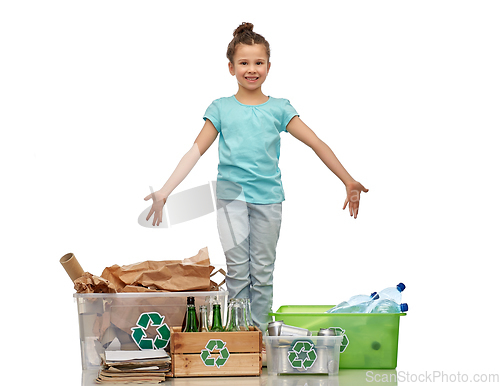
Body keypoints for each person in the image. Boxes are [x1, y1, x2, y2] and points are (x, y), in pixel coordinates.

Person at [144, 22, 368, 332]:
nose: (252, 69)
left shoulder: (279, 108)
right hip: (230, 200)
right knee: (238, 272)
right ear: (231, 67)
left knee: (262, 272)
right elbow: (194, 152)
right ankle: (238, 337)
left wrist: (348, 179)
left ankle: (260, 336)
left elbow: (316, 142)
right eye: (244, 63)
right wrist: (165, 191)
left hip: (268, 200)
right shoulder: (221, 108)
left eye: (258, 62)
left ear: (269, 66)